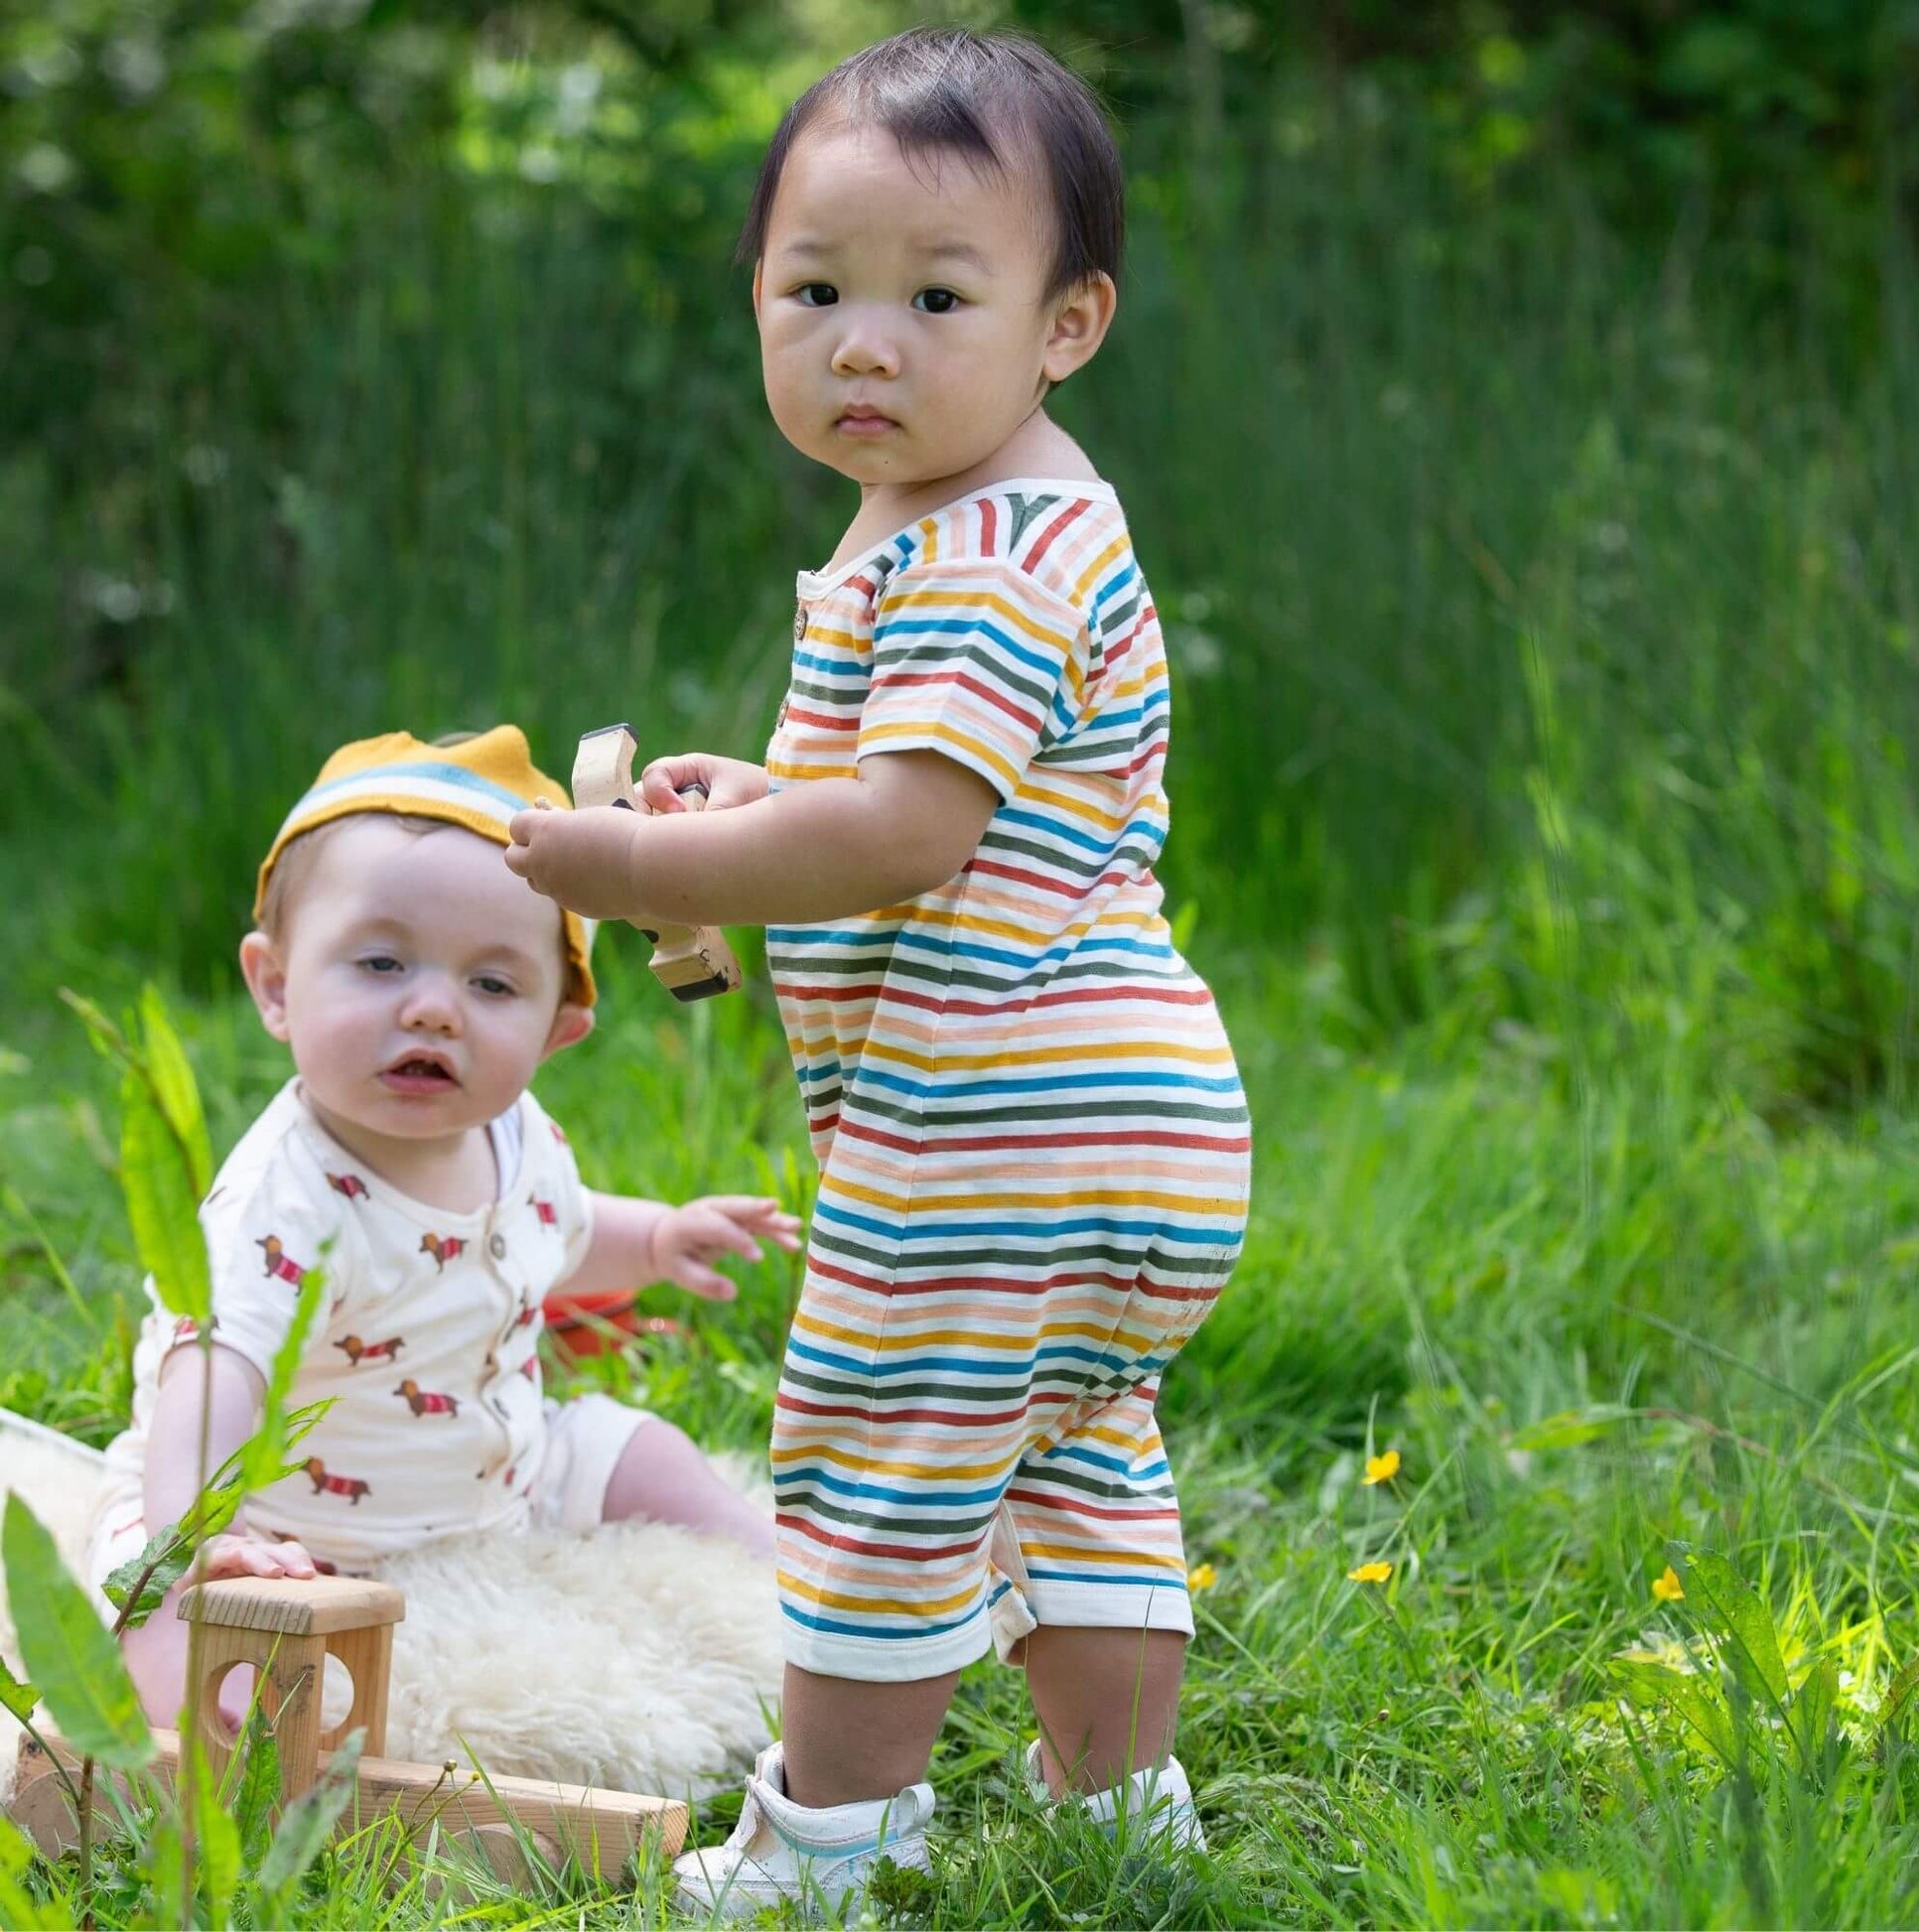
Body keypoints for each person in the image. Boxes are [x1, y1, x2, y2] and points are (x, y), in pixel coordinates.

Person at [504, 26, 1251, 1915]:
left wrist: (638, 862)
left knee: (870, 1465)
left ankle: (830, 1846)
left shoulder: (994, 543)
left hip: (991, 1114)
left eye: (937, 296)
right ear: (755, 295)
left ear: (1065, 324)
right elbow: (922, 807)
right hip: (1125, 1124)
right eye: (815, 290)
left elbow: (906, 835)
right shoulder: (955, 520)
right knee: (1069, 1455)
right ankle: (1118, 1818)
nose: (864, 341)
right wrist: (760, 802)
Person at [87, 726, 799, 1725]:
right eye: (381, 962)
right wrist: (200, 1528)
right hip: (295, 1522)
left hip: (498, 1476)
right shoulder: (283, 1200)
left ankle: (792, 1590)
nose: (434, 1010)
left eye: (492, 983)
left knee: (639, 1451)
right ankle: (203, 1743)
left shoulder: (518, 1135)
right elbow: (215, 1371)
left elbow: (559, 1228)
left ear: (558, 1030)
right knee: (172, 1631)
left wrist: (656, 1239)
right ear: (277, 985)